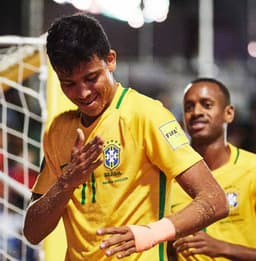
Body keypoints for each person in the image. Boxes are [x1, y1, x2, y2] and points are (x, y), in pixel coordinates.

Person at [23, 14, 228, 261]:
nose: (83, 92)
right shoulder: (58, 130)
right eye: (69, 84)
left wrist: (151, 233)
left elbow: (215, 200)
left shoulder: (147, 115)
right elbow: (33, 232)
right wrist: (66, 183)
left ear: (111, 60)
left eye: (91, 78)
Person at [168, 78, 256, 261]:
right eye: (189, 107)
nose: (196, 112)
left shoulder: (251, 170)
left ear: (229, 113)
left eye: (206, 105)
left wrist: (224, 248)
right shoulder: (171, 177)